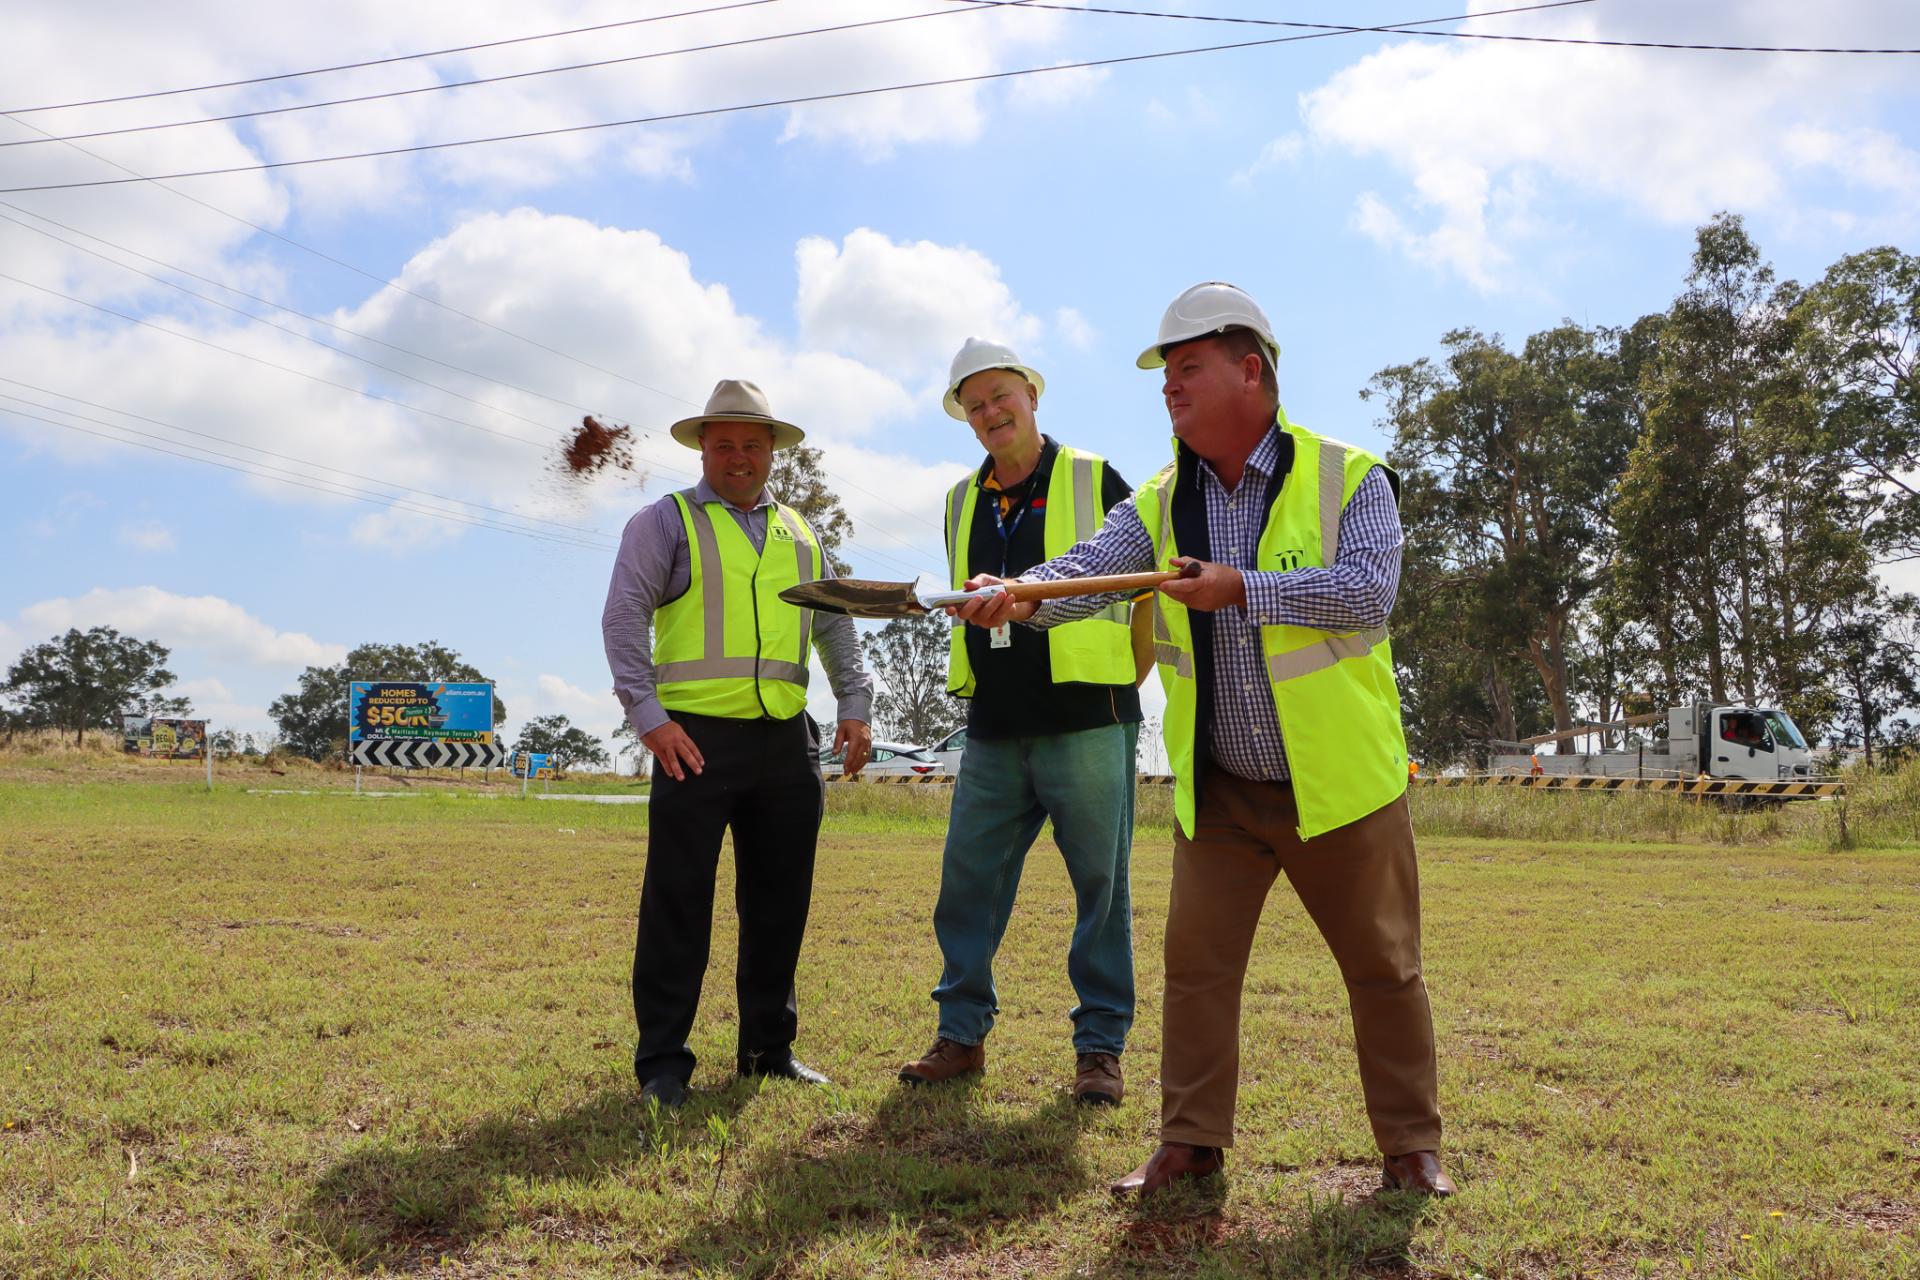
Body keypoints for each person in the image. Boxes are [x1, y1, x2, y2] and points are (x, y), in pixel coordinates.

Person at [953, 284, 1453, 1198]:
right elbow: (1093, 572)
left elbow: (1367, 595)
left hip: (1340, 788)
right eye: (1165, 378)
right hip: (1218, 790)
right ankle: (1188, 1144)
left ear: (1250, 369)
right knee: (1197, 973)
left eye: (1187, 370)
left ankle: (1410, 1151)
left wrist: (1243, 589)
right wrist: (1019, 593)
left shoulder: (1352, 476)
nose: (1170, 391)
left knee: (1384, 970)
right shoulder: (1161, 496)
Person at [602, 379, 874, 1110]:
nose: (740, 456)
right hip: (692, 741)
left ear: (772, 452)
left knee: (780, 902)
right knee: (678, 905)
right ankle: (662, 1062)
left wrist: (854, 704)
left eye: (753, 444)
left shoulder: (802, 532)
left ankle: (767, 1051)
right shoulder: (665, 524)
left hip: (786, 743)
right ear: (702, 448)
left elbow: (834, 624)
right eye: (724, 443)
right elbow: (623, 618)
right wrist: (650, 718)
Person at [898, 339, 1145, 1106]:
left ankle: (1099, 1050)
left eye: (1001, 395)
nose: (990, 412)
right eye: (974, 405)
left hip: (1088, 718)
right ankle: (961, 1036)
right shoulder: (957, 501)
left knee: (1101, 892)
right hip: (994, 726)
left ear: (1032, 395)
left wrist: (1126, 686)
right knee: (965, 887)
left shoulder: (1095, 477)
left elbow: (1140, 585)